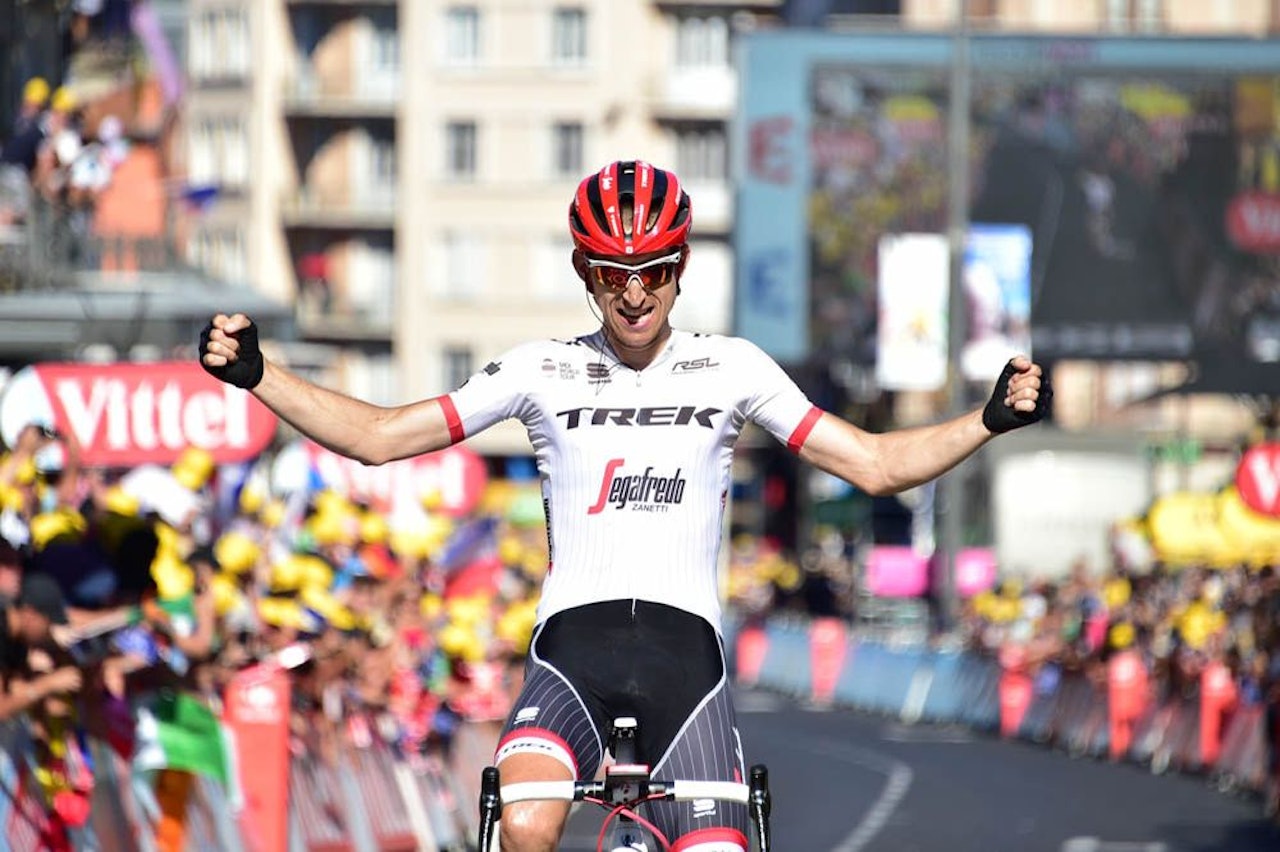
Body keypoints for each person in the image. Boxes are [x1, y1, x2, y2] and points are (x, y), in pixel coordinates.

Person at [199, 159, 1050, 851]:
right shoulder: (540, 369)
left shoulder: (733, 367)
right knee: (527, 822)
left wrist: (987, 419)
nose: (634, 294)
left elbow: (870, 462)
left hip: (689, 660)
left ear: (679, 272)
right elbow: (383, 436)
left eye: (652, 273)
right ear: (586, 274)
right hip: (574, 647)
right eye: (613, 274)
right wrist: (257, 376)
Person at [0, 571, 81, 721]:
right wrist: (47, 684)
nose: (51, 633)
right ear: (30, 614)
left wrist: (42, 700)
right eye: (49, 624)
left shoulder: (16, 641)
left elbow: (16, 689)